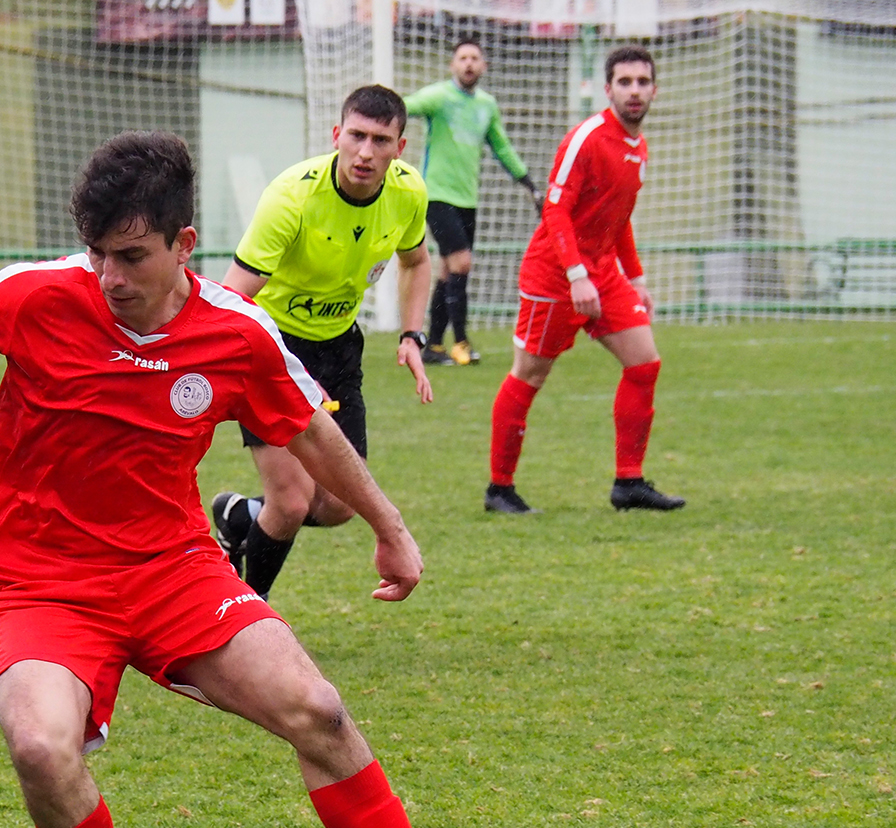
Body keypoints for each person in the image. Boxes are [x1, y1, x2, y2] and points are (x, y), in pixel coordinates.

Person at [0, 131, 533, 828]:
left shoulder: (236, 331)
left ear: (182, 244)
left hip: (174, 569)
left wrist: (390, 528)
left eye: (131, 256)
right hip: (42, 581)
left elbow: (313, 431)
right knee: (43, 752)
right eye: (98, 255)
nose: (111, 276)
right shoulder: (40, 291)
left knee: (318, 709)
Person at [208, 85, 435, 601]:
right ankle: (251, 612)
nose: (365, 152)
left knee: (338, 506)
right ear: (337, 136)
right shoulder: (293, 197)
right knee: (290, 501)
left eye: (381, 140)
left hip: (338, 349)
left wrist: (411, 334)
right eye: (356, 136)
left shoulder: (409, 192)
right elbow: (233, 294)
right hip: (272, 346)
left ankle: (237, 515)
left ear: (400, 149)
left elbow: (417, 262)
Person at [488, 45, 683, 515]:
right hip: (555, 273)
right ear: (608, 88)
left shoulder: (638, 146)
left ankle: (629, 483)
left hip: (601, 272)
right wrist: (576, 275)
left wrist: (634, 278)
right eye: (625, 82)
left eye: (642, 82)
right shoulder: (587, 138)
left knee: (644, 363)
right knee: (529, 375)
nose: (634, 91)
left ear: (654, 90)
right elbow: (555, 209)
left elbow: (619, 217)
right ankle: (500, 488)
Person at [404, 36, 540, 366]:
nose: (468, 63)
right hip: (436, 194)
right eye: (462, 57)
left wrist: (530, 185)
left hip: (467, 198)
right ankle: (461, 342)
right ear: (453, 64)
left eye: (474, 58)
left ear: (483, 66)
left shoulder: (486, 105)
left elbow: (502, 147)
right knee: (462, 263)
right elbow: (403, 106)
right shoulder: (438, 97)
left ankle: (434, 347)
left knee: (449, 272)